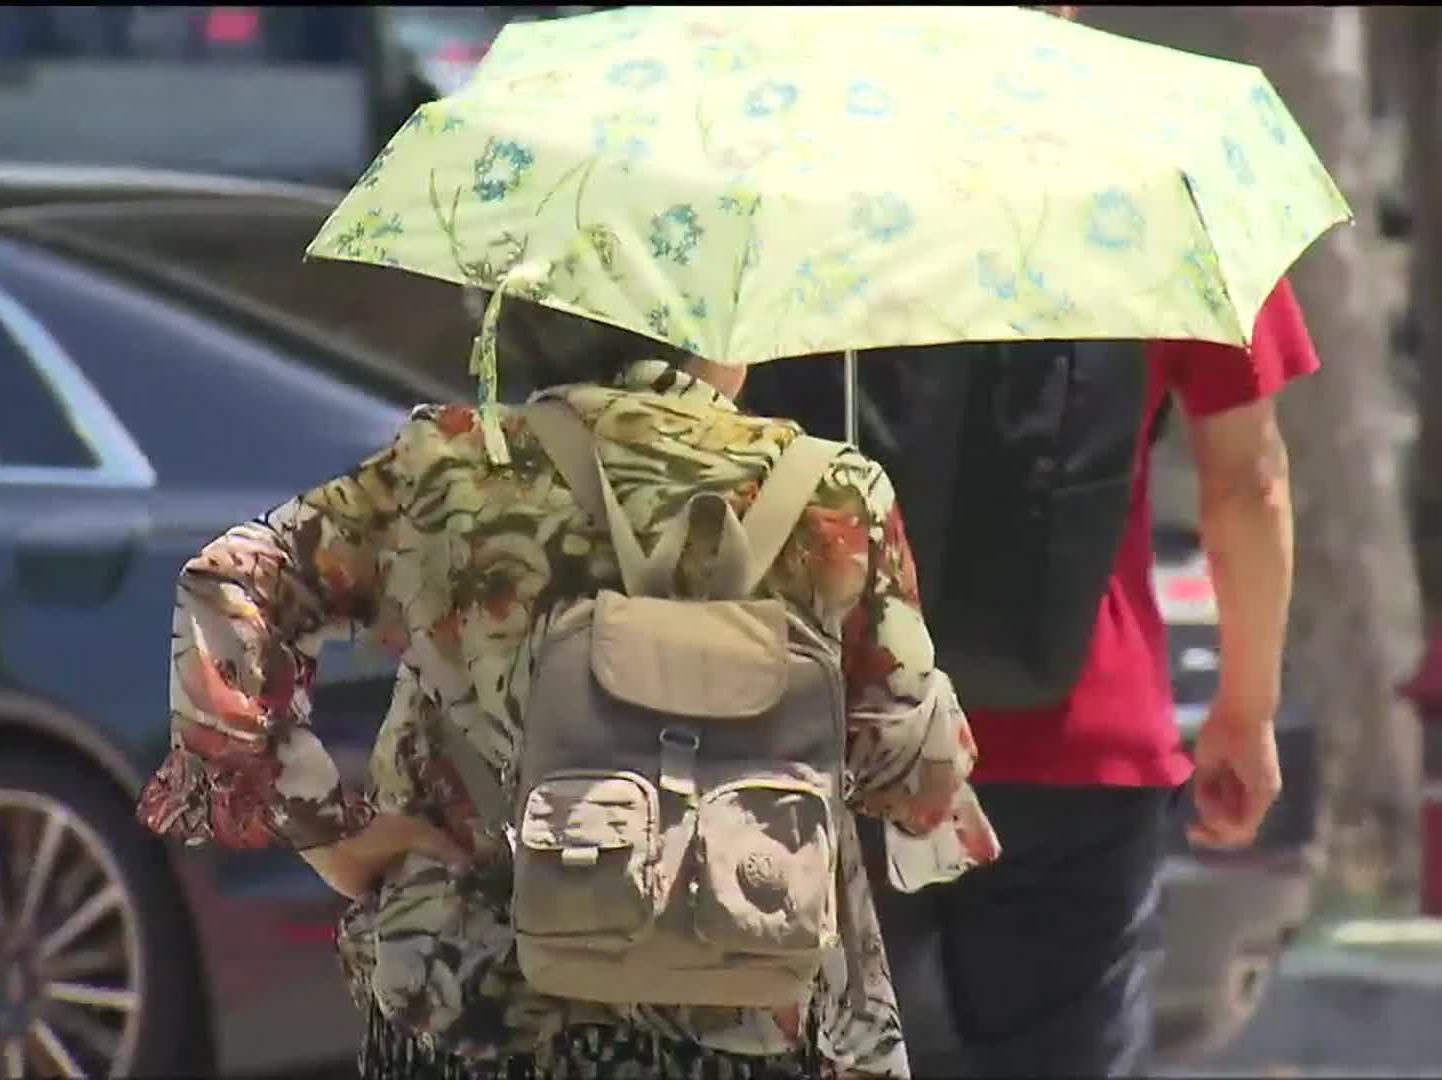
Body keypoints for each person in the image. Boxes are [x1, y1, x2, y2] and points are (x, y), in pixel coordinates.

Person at [135, 297, 998, 1079]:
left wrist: (327, 829)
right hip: (745, 997)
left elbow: (227, 587)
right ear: (710, 318)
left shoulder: (449, 468)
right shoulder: (831, 492)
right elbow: (913, 782)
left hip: (472, 999)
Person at [859, 277, 1321, 1078]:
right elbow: (1247, 480)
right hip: (1083, 736)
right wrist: (1245, 712)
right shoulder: (1153, 187)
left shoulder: (814, 170)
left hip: (850, 717)